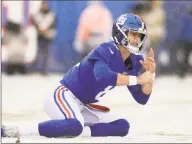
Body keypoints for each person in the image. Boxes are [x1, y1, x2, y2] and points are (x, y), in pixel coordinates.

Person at [2, 13, 156, 138]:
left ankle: (69, 131)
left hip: (84, 103)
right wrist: (137, 79)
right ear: (120, 32)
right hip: (63, 94)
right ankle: (14, 130)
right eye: (133, 34)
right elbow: (103, 76)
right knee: (75, 124)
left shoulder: (134, 59)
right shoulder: (106, 49)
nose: (137, 40)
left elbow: (141, 98)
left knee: (122, 126)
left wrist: (150, 76)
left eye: (140, 36)